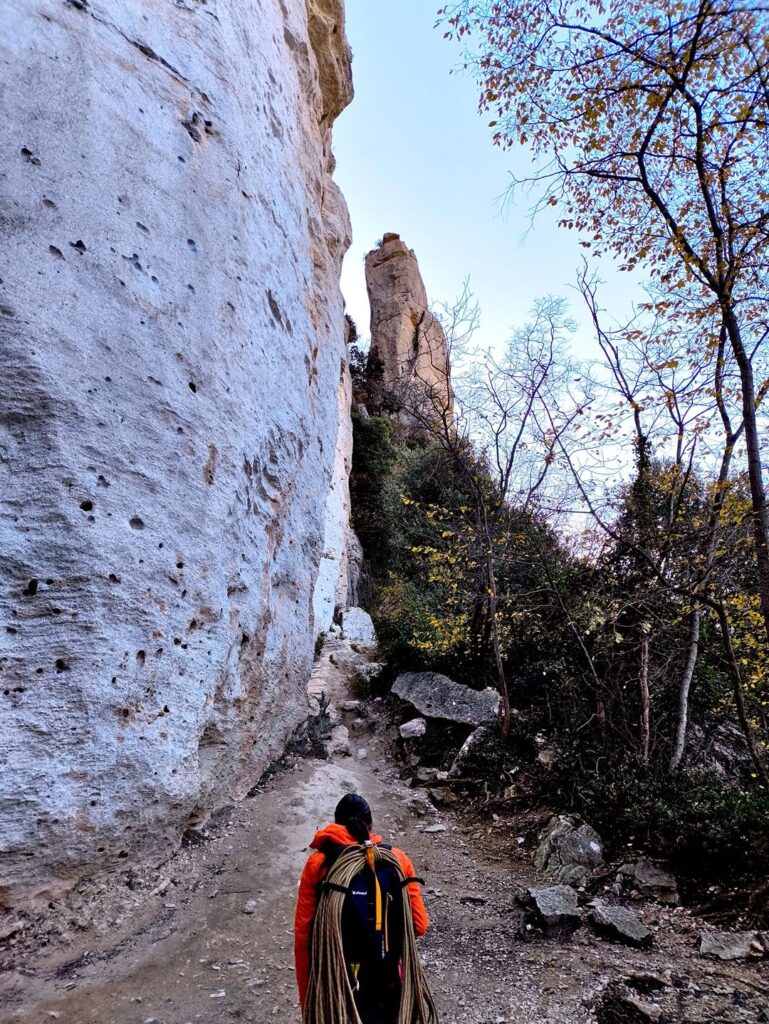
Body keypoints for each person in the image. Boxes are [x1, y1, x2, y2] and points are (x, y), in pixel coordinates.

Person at [294, 793, 430, 1023]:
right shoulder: (397, 860)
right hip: (388, 978)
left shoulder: (319, 864)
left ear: (336, 824)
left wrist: (308, 999)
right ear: (370, 825)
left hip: (338, 979)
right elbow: (419, 925)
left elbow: (303, 937)